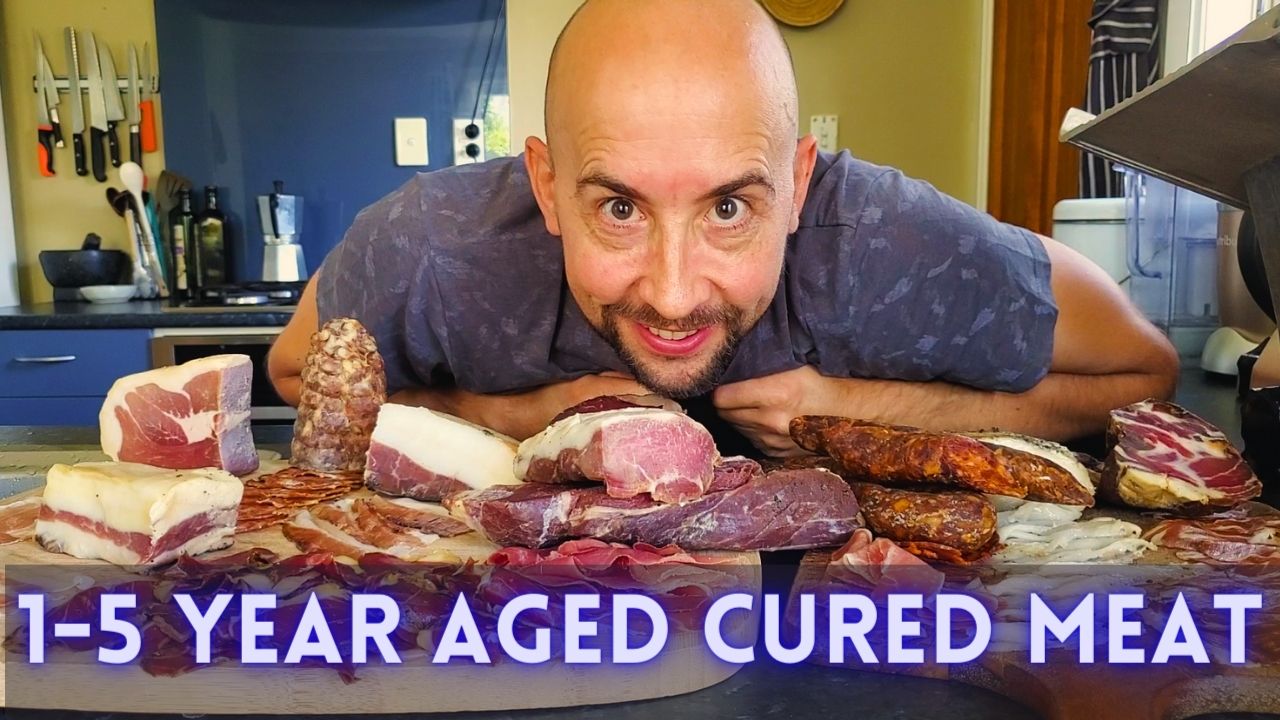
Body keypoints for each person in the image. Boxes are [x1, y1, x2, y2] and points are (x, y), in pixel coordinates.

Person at [267, 0, 1178, 457]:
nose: (671, 293)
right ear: (545, 187)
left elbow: (1145, 373)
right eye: (617, 208)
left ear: (795, 188)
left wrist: (862, 409)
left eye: (730, 209)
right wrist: (504, 418)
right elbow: (296, 369)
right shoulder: (436, 244)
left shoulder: (889, 245)